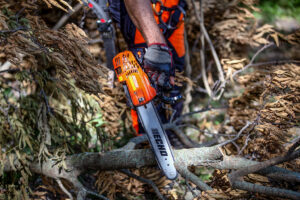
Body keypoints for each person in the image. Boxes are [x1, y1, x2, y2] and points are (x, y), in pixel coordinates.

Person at [108, 0, 187, 147]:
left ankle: (172, 132)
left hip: (173, 12)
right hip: (143, 10)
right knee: (146, 77)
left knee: (174, 75)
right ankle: (148, 142)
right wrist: (157, 45)